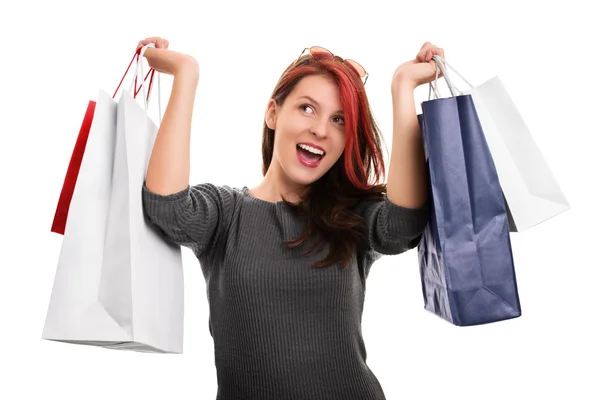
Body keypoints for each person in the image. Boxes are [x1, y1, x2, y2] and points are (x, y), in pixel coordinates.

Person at [138, 37, 443, 400]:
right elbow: (167, 206)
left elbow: (404, 223)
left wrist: (402, 86)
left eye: (339, 119)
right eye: (307, 109)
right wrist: (185, 74)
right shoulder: (225, 214)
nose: (321, 130)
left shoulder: (351, 218)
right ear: (273, 113)